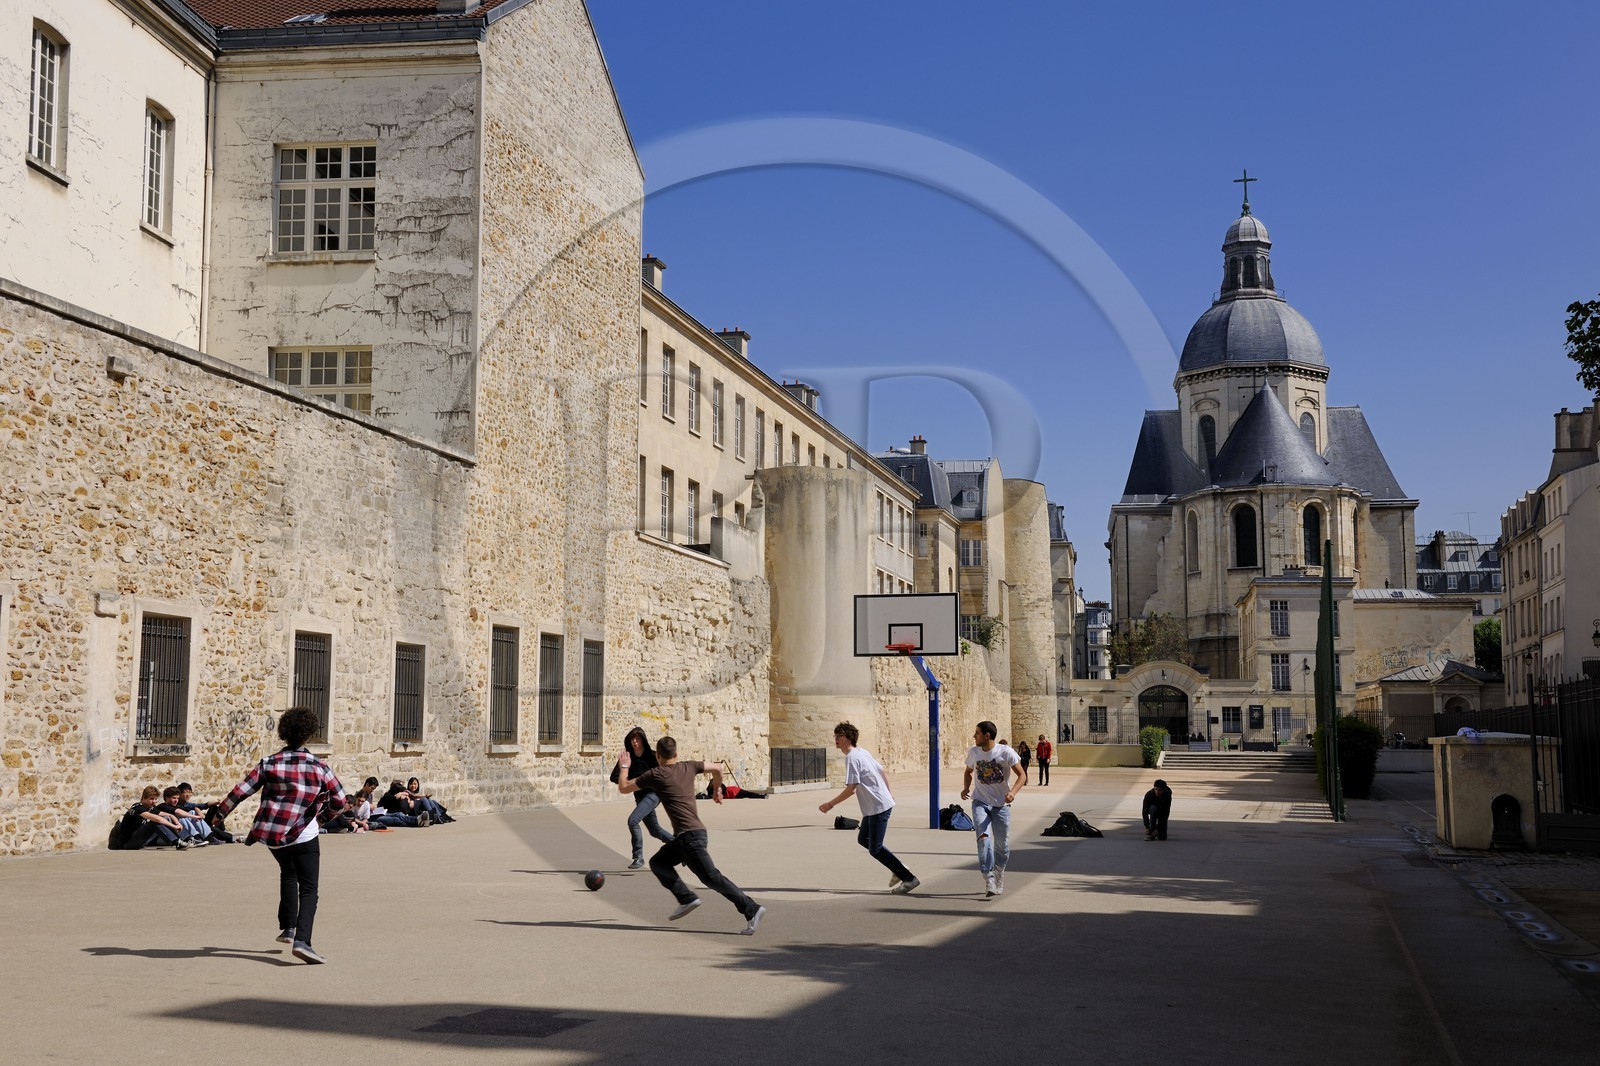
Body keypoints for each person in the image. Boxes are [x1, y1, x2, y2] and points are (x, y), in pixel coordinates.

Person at [214, 707, 348, 965]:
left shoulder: (269, 762)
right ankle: (303, 941)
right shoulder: (319, 767)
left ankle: (288, 927)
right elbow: (340, 801)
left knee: (288, 872)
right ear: (309, 735)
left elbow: (241, 791)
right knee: (309, 888)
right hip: (303, 833)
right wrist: (320, 818)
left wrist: (220, 815)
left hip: (273, 835)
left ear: (284, 733)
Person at [617, 735, 765, 934]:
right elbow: (718, 768)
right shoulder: (689, 766)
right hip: (691, 835)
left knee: (712, 878)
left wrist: (624, 766)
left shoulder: (656, 774)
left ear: (658, 755)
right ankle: (686, 897)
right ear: (676, 754)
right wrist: (717, 790)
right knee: (659, 862)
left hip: (690, 838)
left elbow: (624, 787)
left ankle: (752, 909)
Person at [818, 722, 919, 894]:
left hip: (879, 806)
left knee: (875, 848)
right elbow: (882, 770)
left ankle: (909, 878)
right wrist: (889, 792)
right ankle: (897, 866)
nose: (836, 739)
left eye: (839, 736)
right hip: (876, 806)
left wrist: (830, 804)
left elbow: (851, 788)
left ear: (848, 738)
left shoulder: (852, 757)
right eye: (835, 735)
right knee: (863, 839)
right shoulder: (861, 752)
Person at [961, 721, 1025, 897]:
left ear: (987, 735)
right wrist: (966, 788)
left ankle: (999, 873)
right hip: (980, 802)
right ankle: (988, 877)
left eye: (977, 733)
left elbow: (1022, 775)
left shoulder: (1005, 752)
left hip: (1001, 805)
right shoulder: (974, 752)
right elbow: (968, 771)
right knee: (983, 839)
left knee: (1002, 846)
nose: (974, 736)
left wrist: (1013, 793)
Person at [610, 726, 674, 869]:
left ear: (643, 740)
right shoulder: (628, 758)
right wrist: (627, 774)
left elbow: (666, 772)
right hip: (639, 797)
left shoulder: (652, 756)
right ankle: (680, 846)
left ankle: (638, 857)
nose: (635, 742)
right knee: (655, 830)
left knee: (633, 821)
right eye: (632, 739)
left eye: (638, 738)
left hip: (653, 794)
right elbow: (614, 777)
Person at [116, 785, 193, 850]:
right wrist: (174, 826)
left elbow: (170, 815)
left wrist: (177, 823)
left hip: (143, 841)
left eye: (156, 799)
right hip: (129, 843)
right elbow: (157, 819)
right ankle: (177, 842)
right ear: (144, 798)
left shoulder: (150, 808)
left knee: (166, 817)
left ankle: (186, 839)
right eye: (151, 799)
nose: (154, 801)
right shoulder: (137, 807)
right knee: (154, 822)